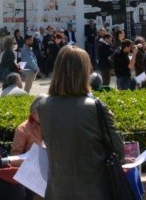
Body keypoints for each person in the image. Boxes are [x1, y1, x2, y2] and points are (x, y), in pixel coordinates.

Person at [34, 46, 124, 200]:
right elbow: (119, 150)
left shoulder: (42, 106)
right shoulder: (95, 107)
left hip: (57, 190)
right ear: (84, 72)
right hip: (94, 190)